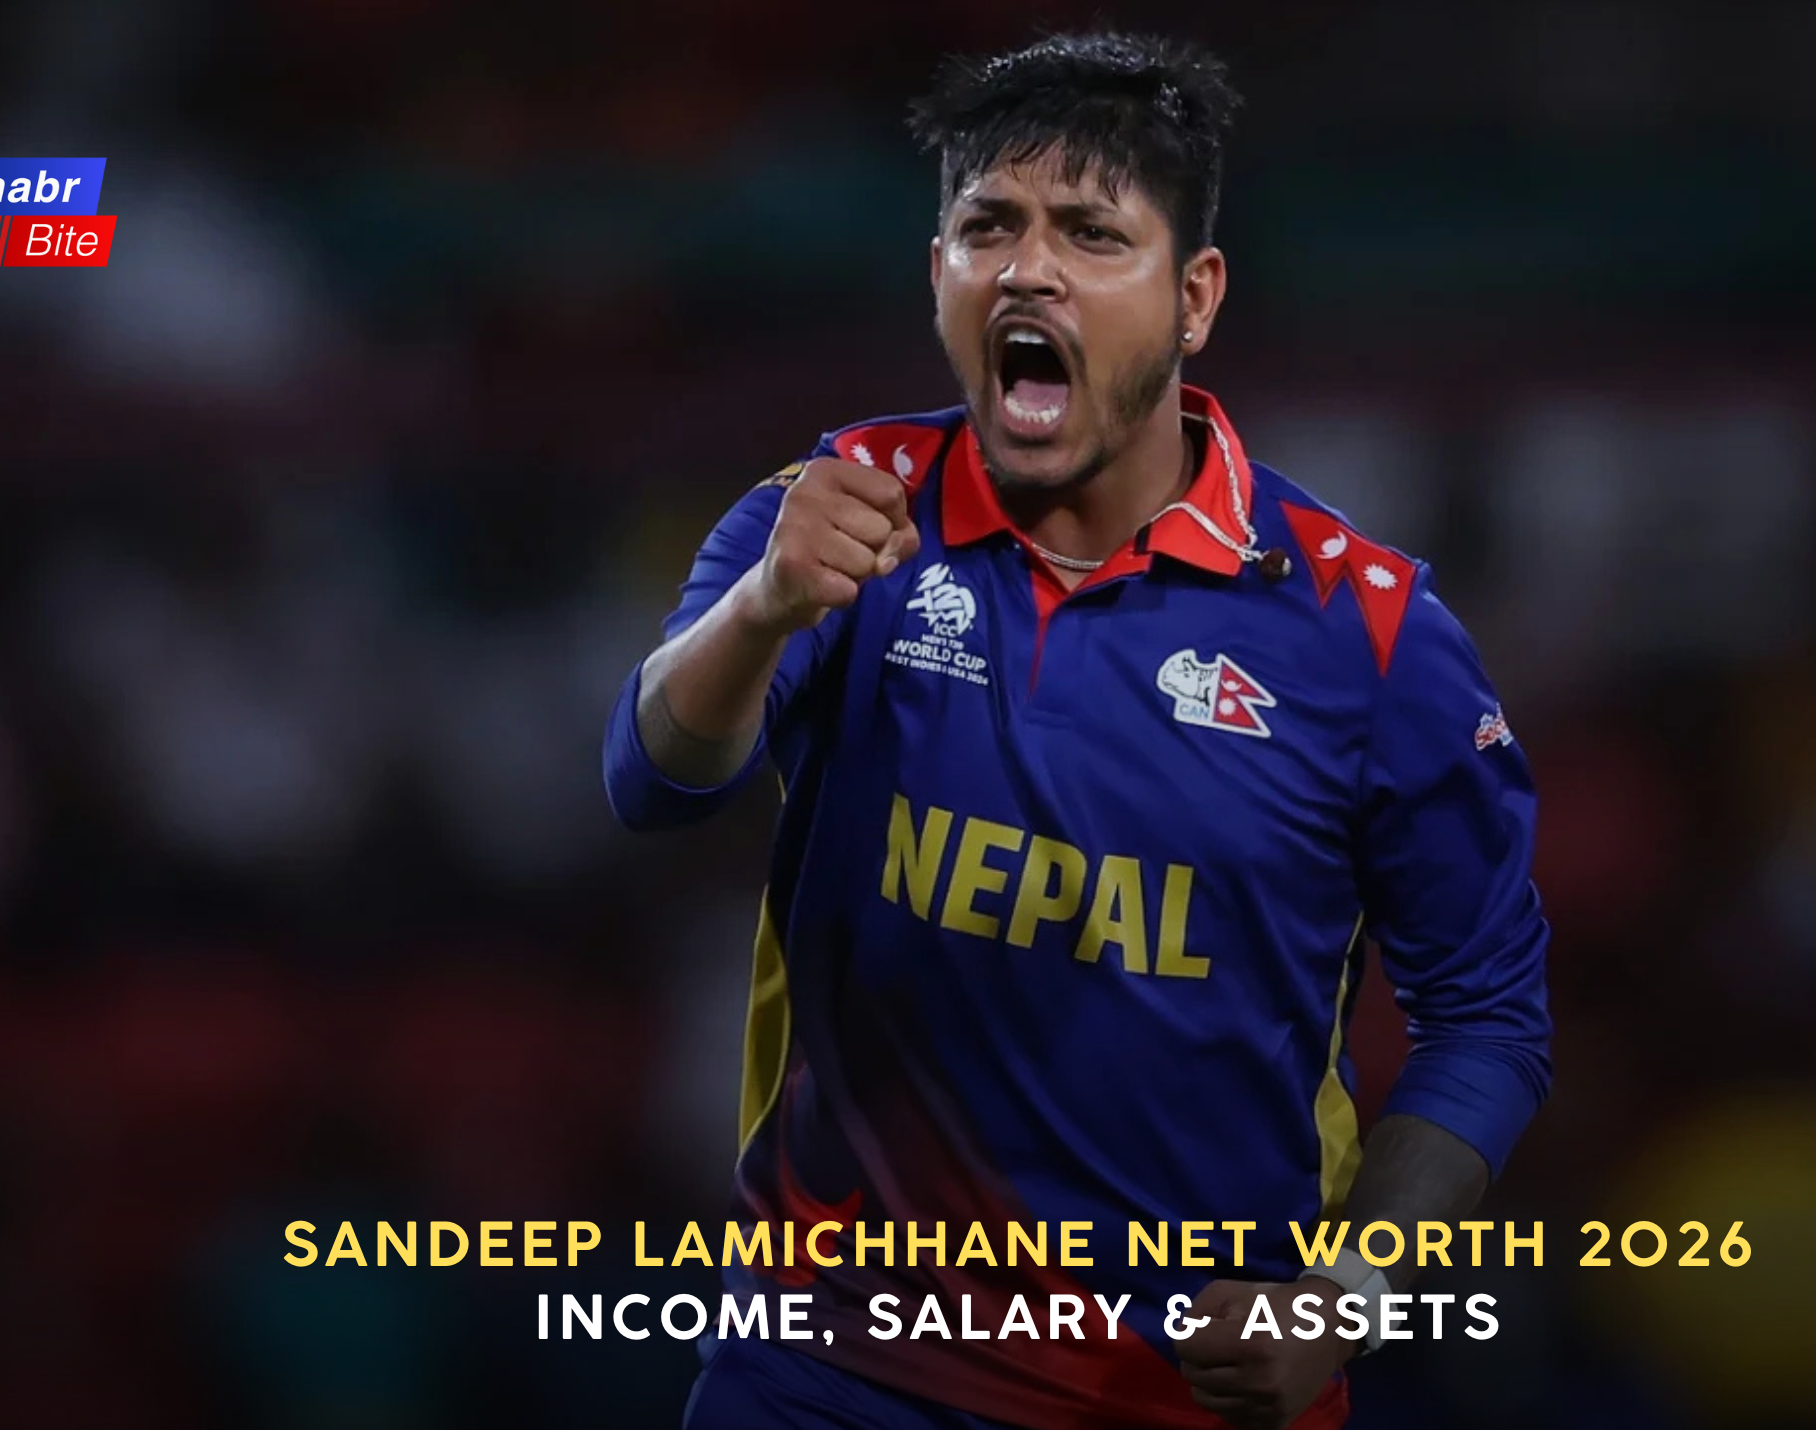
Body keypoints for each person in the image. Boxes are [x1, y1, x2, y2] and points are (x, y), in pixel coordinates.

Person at [604, 31, 1552, 1430]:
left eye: (1092, 233)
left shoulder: (1371, 634)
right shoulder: (835, 515)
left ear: (1195, 299)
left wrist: (1345, 1295)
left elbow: (1488, 1017)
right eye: (988, 226)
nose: (1028, 268)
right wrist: (762, 605)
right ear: (939, 275)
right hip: (825, 1379)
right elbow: (654, 784)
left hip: (1187, 1399)